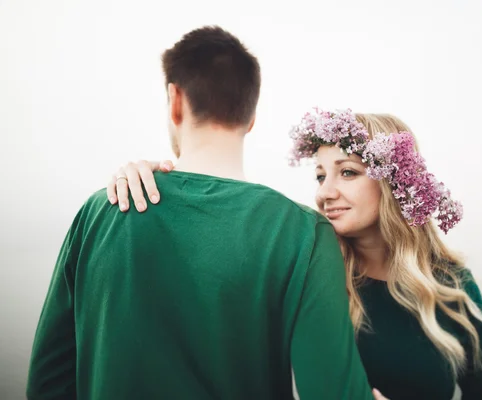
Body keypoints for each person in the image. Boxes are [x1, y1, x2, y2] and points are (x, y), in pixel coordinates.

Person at [27, 28, 384, 400]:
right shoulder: (304, 233)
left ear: (175, 100)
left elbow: (47, 382)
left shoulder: (99, 212)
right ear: (250, 118)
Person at [110, 109, 482, 399]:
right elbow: (213, 245)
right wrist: (160, 186)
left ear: (395, 184)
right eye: (321, 175)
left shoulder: (449, 285)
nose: (325, 192)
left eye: (348, 172)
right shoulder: (307, 267)